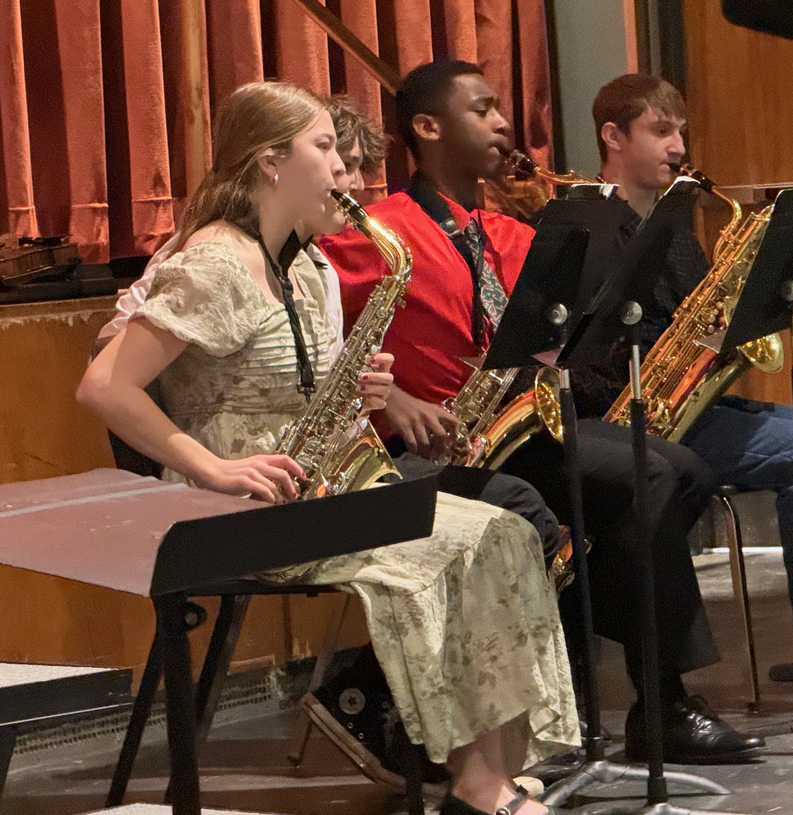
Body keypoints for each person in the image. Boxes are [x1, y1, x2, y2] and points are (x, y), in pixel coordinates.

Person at [77, 80, 578, 815]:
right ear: (270, 162)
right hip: (240, 508)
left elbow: (302, 391)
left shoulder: (309, 265)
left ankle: (492, 774)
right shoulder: (214, 262)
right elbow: (103, 386)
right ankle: (476, 785)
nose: (345, 176)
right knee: (437, 553)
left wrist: (363, 395)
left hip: (319, 489)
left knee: (502, 531)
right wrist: (209, 465)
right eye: (325, 152)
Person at [321, 60, 766, 765]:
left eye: (502, 107)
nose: (504, 124)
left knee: (677, 469)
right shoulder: (375, 232)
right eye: (485, 110)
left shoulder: (517, 235)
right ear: (429, 128)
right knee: (647, 478)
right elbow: (311, 341)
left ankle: (627, 682)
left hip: (524, 428)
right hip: (447, 443)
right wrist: (395, 397)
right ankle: (662, 700)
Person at [581, 73, 793, 710]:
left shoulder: (675, 225)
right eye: (661, 131)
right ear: (613, 135)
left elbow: (708, 322)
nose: (679, 146)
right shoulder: (591, 227)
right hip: (650, 419)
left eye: (680, 131)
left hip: (707, 402)